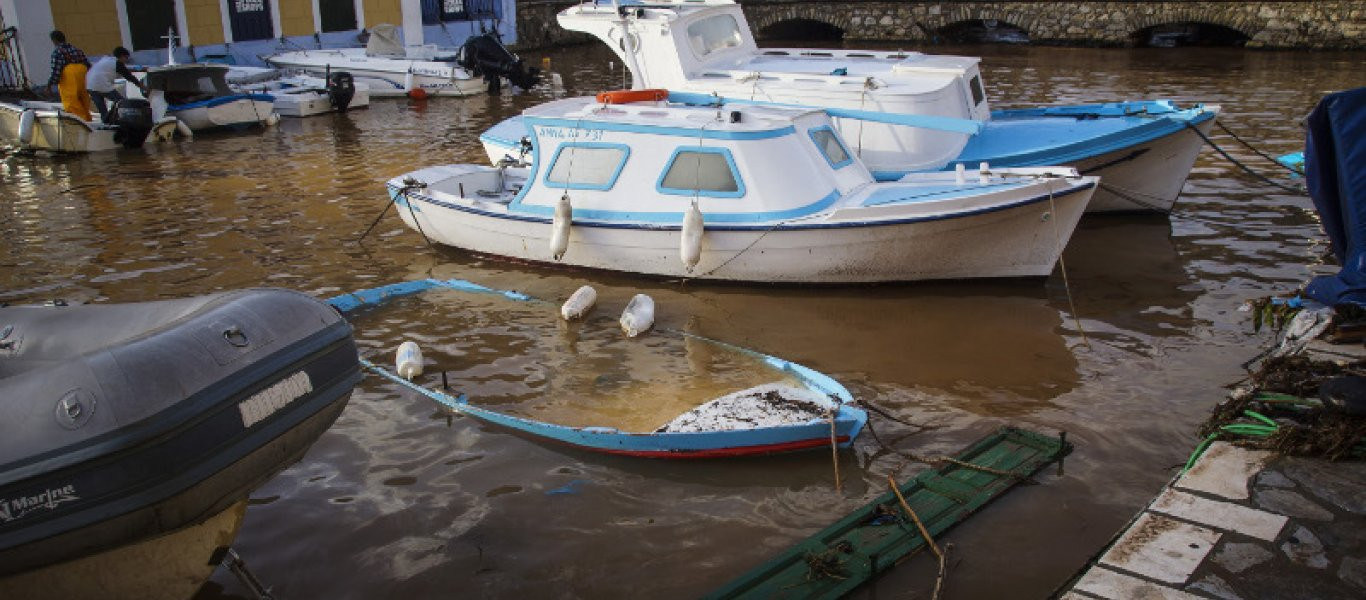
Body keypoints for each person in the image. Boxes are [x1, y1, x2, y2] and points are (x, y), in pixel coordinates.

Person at [86, 46, 147, 123]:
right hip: (101, 84)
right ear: (122, 56)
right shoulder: (117, 63)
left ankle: (106, 124)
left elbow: (122, 71)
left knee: (102, 109)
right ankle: (125, 121)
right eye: (126, 58)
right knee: (121, 102)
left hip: (89, 85)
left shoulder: (105, 59)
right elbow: (129, 77)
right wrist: (143, 87)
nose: (126, 61)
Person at [46, 30, 93, 121]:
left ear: (54, 40)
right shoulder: (77, 50)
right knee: (84, 100)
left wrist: (49, 85)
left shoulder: (57, 52)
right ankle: (88, 120)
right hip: (83, 78)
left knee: (72, 103)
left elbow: (56, 71)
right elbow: (87, 65)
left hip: (69, 80)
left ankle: (80, 122)